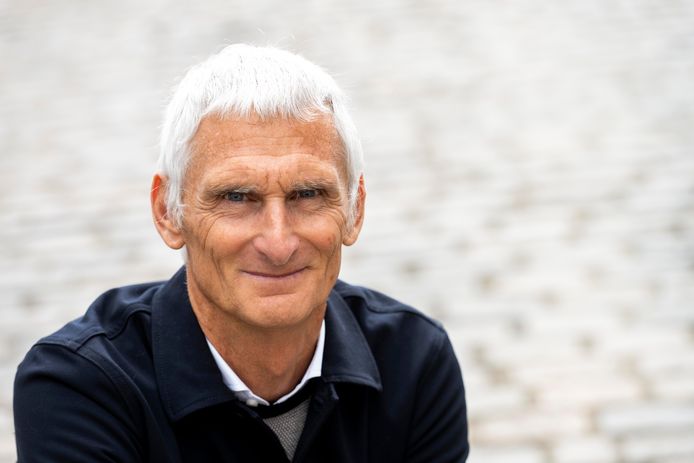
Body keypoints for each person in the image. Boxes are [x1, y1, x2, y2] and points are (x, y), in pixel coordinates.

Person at [14, 44, 469, 462]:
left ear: (355, 209)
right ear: (168, 212)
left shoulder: (415, 362)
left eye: (308, 194)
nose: (278, 243)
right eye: (236, 198)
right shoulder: (79, 386)